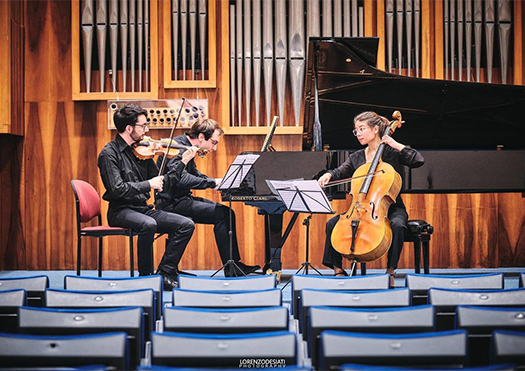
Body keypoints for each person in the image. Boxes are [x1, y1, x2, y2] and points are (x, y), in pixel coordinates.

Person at [98, 103, 199, 290]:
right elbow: (117, 189)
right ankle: (145, 277)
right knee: (149, 224)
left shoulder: (142, 152)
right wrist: (147, 184)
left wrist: (182, 162)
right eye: (143, 126)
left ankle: (164, 273)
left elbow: (165, 182)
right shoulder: (108, 154)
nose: (147, 130)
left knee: (186, 224)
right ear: (129, 128)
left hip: (143, 209)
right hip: (120, 210)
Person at [317, 111, 425, 283]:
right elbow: (340, 171)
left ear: (375, 129)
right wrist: (329, 175)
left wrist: (395, 144)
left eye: (361, 129)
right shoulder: (357, 157)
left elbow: (418, 160)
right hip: (361, 208)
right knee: (332, 223)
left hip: (392, 207)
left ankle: (390, 270)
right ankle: (338, 269)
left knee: (397, 225)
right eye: (356, 130)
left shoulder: (392, 152)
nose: (358, 133)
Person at [155, 118, 260, 277]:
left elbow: (194, 174)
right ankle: (230, 267)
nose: (215, 148)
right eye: (214, 142)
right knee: (224, 214)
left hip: (182, 200)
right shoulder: (177, 148)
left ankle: (233, 265)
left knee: (226, 214)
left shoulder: (188, 146)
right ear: (202, 137)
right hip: (170, 204)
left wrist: (218, 182)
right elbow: (181, 179)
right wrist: (211, 183)